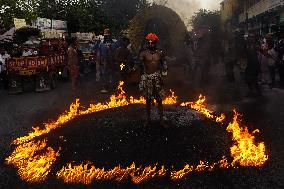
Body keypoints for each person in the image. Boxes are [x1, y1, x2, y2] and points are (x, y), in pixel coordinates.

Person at [138, 33, 168, 126]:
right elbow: (139, 65)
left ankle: (161, 120)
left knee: (159, 100)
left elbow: (164, 66)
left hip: (157, 78)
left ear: (156, 43)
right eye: (149, 42)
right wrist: (142, 77)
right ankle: (147, 119)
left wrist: (164, 77)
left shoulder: (160, 53)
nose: (151, 44)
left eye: (152, 42)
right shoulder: (143, 53)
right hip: (147, 78)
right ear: (147, 42)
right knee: (147, 100)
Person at [98, 28, 118, 93]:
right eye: (105, 35)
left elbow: (116, 53)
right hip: (104, 62)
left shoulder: (114, 44)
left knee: (113, 74)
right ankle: (104, 87)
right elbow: (100, 54)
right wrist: (100, 62)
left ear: (110, 35)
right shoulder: (101, 44)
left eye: (108, 35)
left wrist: (111, 49)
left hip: (112, 61)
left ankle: (114, 87)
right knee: (104, 74)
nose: (107, 36)